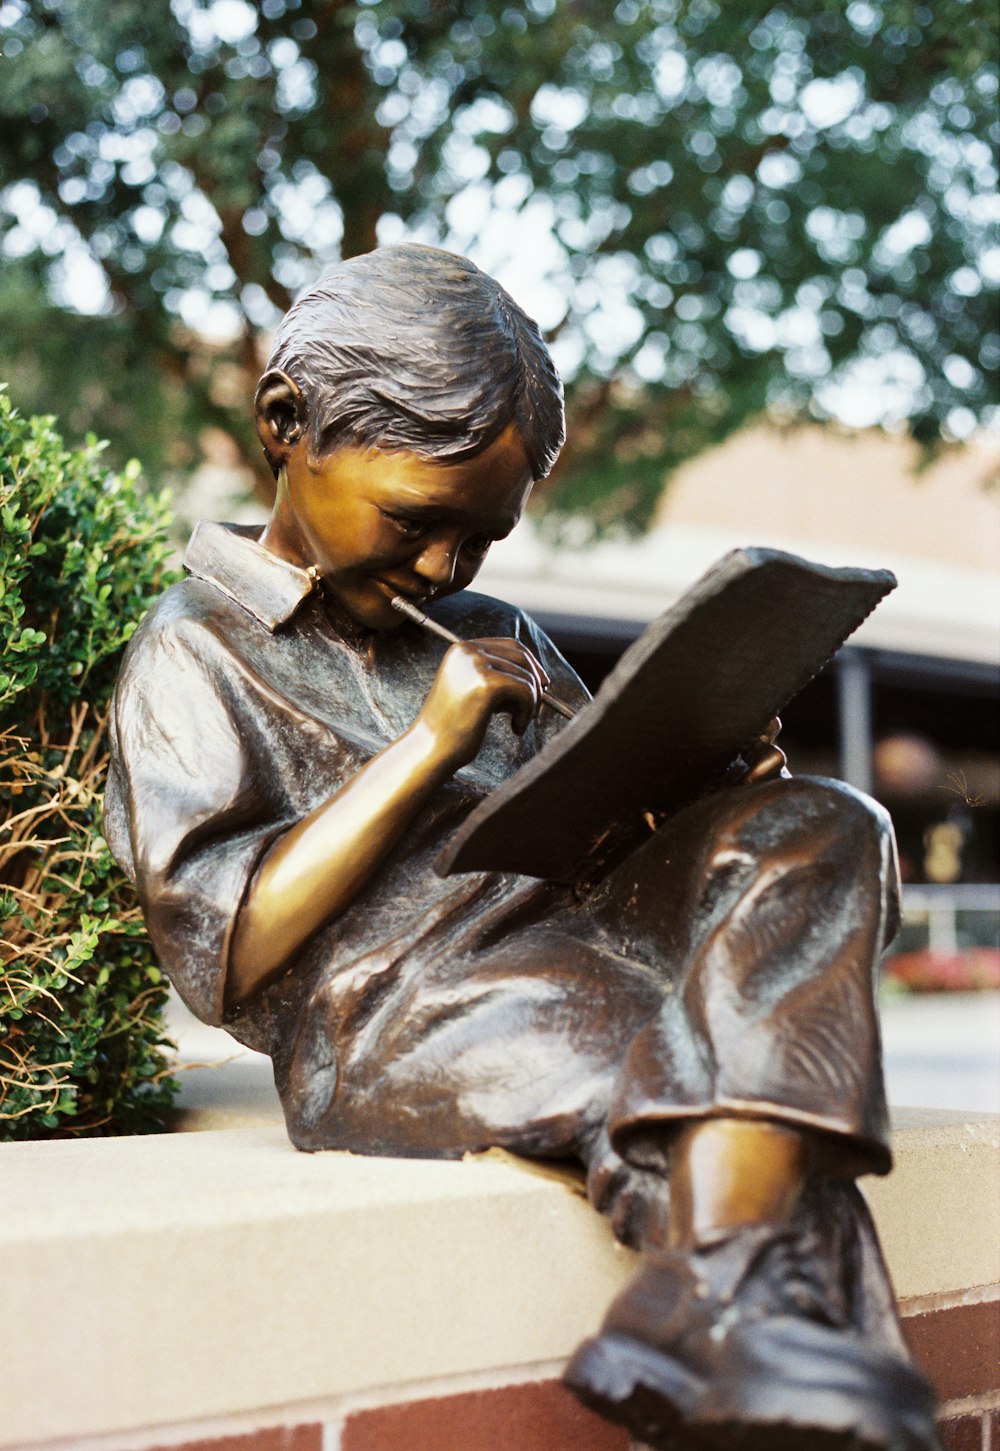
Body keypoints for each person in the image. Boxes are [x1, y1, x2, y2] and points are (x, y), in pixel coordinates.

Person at [104, 243, 939, 1451]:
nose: (448, 568)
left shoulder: (489, 630)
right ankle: (736, 1321)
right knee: (706, 1064)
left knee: (824, 824)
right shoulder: (193, 649)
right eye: (418, 519)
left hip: (584, 935)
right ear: (288, 422)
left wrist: (704, 780)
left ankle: (708, 1300)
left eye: (482, 538)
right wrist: (430, 745)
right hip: (398, 1006)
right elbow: (224, 956)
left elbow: (598, 808)